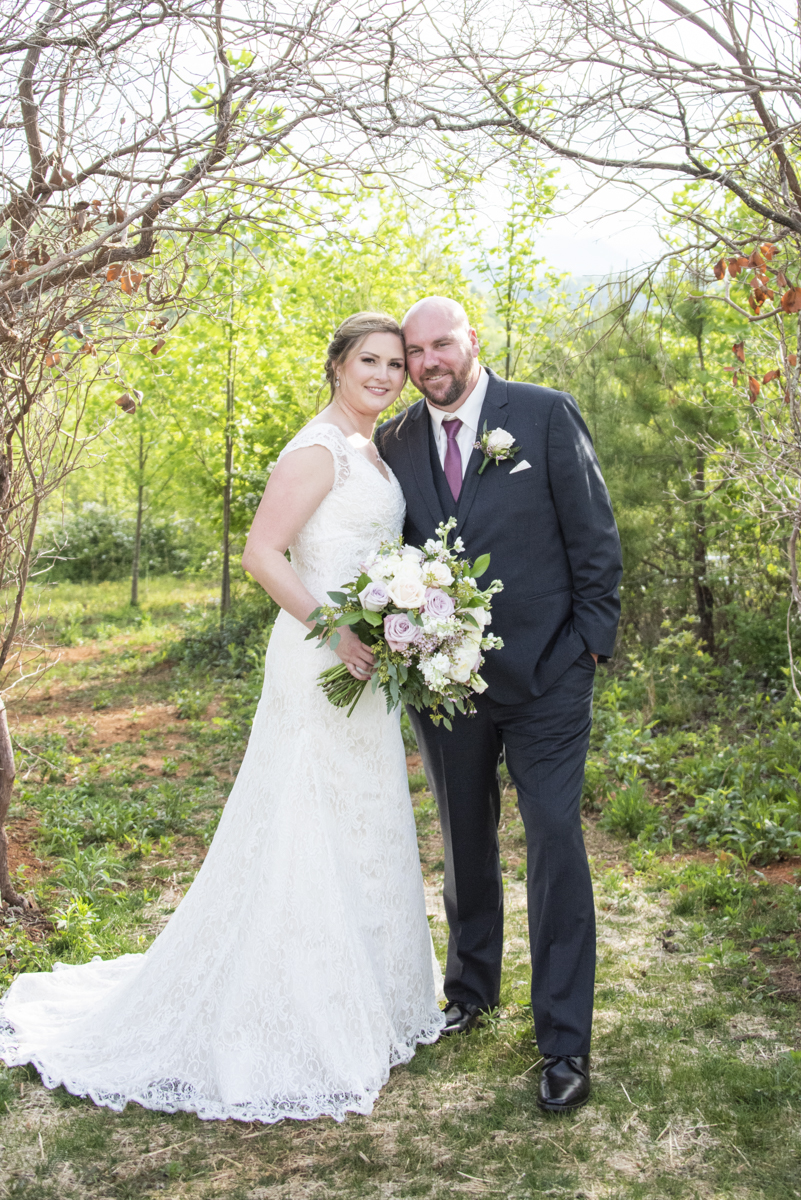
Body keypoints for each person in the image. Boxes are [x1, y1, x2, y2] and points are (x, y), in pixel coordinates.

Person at [0, 312, 444, 1123]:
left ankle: (366, 994)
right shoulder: (316, 450)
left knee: (361, 818)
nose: (384, 375)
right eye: (368, 361)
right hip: (319, 658)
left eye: (394, 364)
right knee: (303, 820)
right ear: (337, 366)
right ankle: (294, 1007)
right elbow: (262, 554)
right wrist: (335, 627)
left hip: (366, 664)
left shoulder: (373, 447)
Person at [376, 297, 622, 1113]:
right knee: (463, 838)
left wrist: (588, 645)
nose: (428, 362)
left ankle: (563, 1043)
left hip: (549, 675)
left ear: (471, 342)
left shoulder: (543, 416)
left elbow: (593, 536)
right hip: (444, 687)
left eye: (441, 344)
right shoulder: (395, 440)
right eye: (414, 351)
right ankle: (470, 991)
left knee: (554, 841)